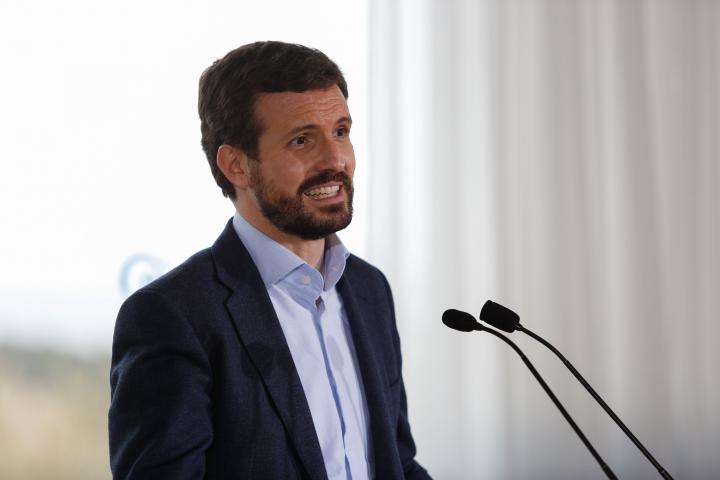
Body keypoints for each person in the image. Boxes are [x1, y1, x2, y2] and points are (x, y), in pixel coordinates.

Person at [108, 41, 430, 480]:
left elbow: (398, 462)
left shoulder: (369, 289)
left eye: (340, 132)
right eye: (302, 140)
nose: (335, 159)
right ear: (236, 165)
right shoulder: (173, 315)